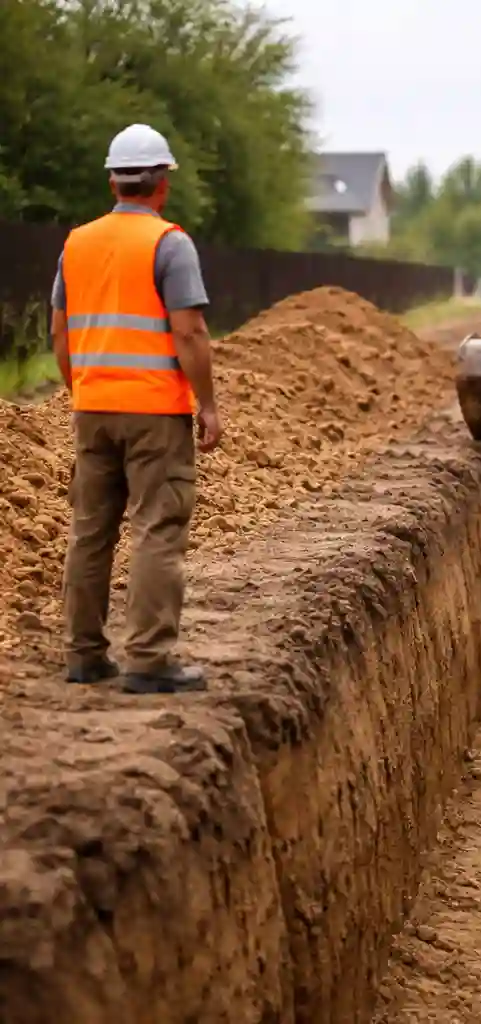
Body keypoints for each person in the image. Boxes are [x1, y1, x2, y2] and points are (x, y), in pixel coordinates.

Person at [50, 123, 223, 695]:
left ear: (113, 181)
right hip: (153, 413)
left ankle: (83, 655)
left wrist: (83, 389)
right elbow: (191, 333)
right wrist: (209, 404)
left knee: (91, 531)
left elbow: (59, 333)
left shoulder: (76, 243)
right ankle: (148, 658)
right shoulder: (169, 244)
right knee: (157, 527)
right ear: (162, 184)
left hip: (92, 407)